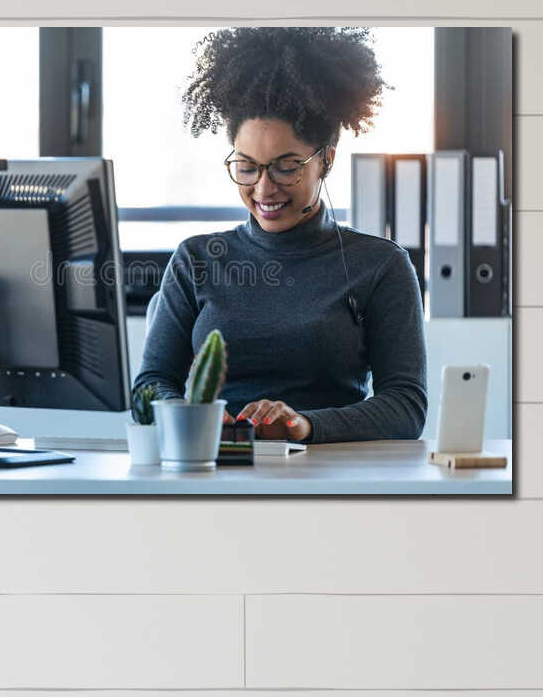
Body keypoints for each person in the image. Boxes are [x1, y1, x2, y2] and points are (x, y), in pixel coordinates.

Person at [132, 27, 428, 444]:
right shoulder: (196, 259)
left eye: (287, 166)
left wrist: (302, 426)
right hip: (213, 471)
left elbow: (406, 406)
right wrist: (193, 422)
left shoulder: (380, 265)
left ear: (324, 159)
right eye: (247, 166)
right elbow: (149, 385)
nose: (264, 188)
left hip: (332, 477)